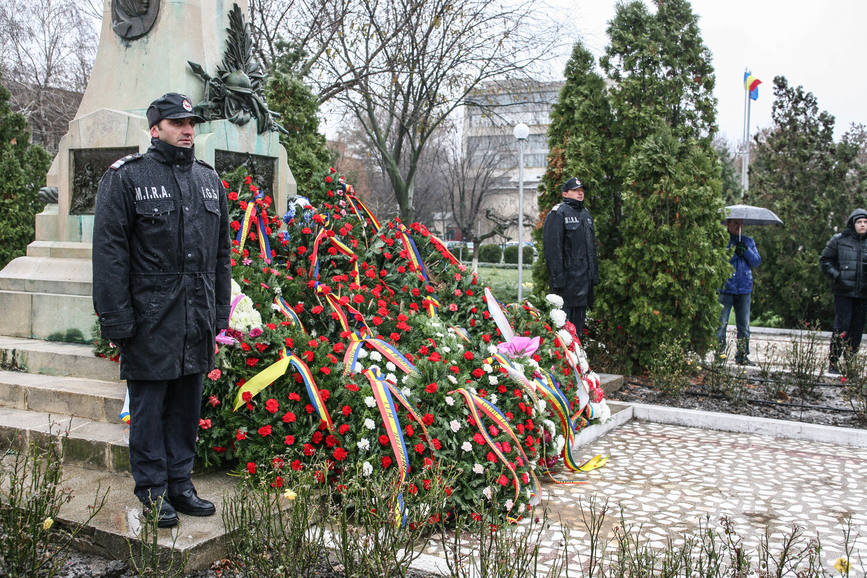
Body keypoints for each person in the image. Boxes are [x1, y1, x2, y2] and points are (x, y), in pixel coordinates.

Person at [92, 93, 231, 527]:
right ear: (155, 129)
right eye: (177, 123)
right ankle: (152, 491)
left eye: (191, 122)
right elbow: (110, 254)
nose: (187, 129)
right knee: (150, 409)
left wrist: (220, 315)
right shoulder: (127, 178)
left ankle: (180, 484)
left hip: (196, 316)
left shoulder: (210, 181)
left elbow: (221, 256)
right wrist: (116, 319)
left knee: (187, 408)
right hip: (150, 319)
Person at [542, 177, 599, 338]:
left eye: (582, 190)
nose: (580, 193)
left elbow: (590, 249)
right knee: (564, 333)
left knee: (578, 332)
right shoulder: (558, 213)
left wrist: (593, 277)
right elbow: (553, 250)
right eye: (575, 190)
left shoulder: (586, 214)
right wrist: (558, 281)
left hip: (583, 284)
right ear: (565, 193)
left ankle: (579, 361)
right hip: (566, 285)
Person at [820, 208, 867, 375]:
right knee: (842, 328)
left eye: (865, 222)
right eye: (859, 222)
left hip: (862, 294)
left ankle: (850, 364)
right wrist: (837, 276)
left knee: (857, 329)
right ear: (853, 224)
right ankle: (833, 362)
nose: (863, 225)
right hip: (844, 292)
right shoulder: (839, 240)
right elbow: (825, 260)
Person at [716, 218, 762, 365]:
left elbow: (756, 261)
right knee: (721, 323)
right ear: (728, 224)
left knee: (744, 325)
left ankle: (742, 355)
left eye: (741, 224)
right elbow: (720, 260)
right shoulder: (722, 240)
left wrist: (745, 251)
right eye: (735, 223)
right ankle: (720, 355)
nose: (739, 226)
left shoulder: (748, 241)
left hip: (744, 288)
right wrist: (734, 252)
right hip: (726, 288)